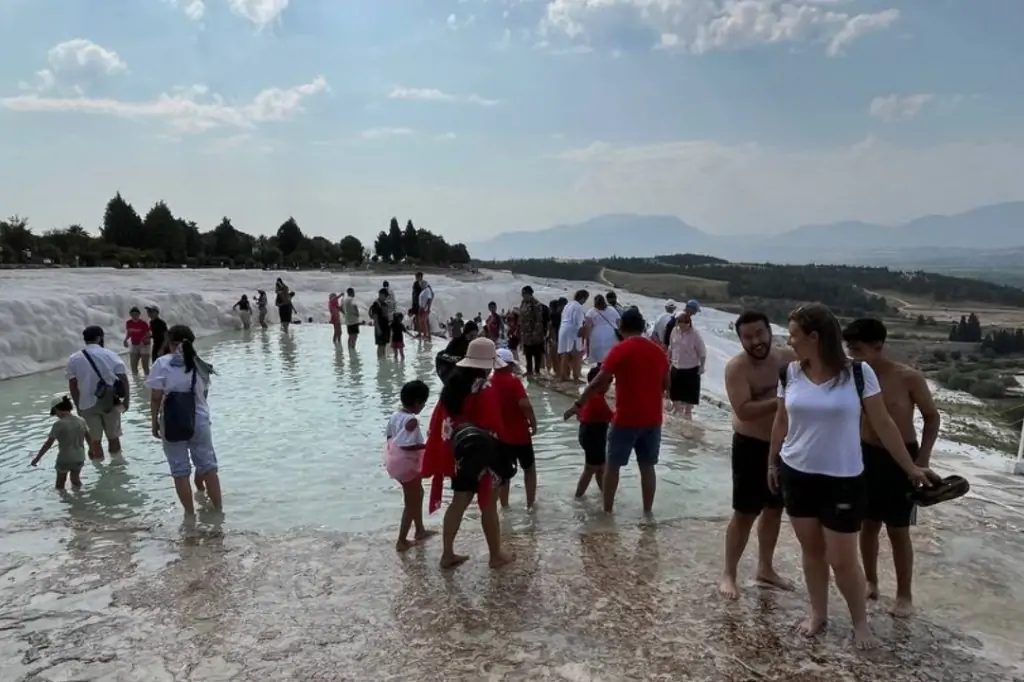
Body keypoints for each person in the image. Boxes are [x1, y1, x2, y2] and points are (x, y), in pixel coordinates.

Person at [768, 303, 937, 648]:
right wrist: (772, 462)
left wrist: (911, 466)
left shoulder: (858, 374)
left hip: (843, 477)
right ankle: (818, 612)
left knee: (842, 558)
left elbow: (884, 423)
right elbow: (781, 421)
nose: (790, 341)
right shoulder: (790, 373)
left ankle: (861, 623)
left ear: (814, 337)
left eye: (795, 335)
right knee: (811, 550)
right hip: (797, 473)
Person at [843, 317, 941, 618]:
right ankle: (871, 582)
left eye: (858, 350)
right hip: (865, 455)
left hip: (903, 459)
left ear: (879, 346)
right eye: (849, 349)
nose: (852, 356)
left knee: (898, 530)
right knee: (867, 524)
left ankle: (904, 595)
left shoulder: (907, 377)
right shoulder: (852, 375)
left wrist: (921, 460)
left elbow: (931, 417)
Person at [421, 338, 515, 569]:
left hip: (459, 453)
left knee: (459, 502)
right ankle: (495, 555)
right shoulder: (484, 387)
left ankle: (447, 554)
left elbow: (443, 424)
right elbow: (492, 425)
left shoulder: (452, 385)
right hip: (483, 454)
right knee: (489, 505)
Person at [719, 311, 794, 601]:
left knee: (774, 509)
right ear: (740, 340)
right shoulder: (737, 368)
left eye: (760, 334)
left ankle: (765, 568)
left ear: (769, 331)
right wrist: (782, 401)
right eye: (748, 337)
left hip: (783, 446)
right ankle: (729, 572)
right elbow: (743, 409)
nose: (756, 341)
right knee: (744, 512)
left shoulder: (787, 358)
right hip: (750, 445)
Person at [563, 308, 668, 514]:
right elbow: (666, 384)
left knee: (612, 466)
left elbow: (598, 381)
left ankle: (607, 512)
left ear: (620, 326)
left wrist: (578, 404)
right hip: (653, 418)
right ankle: (647, 512)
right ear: (643, 326)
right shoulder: (658, 351)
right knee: (647, 467)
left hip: (626, 418)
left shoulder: (621, 349)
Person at [147, 324, 223, 517]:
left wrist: (154, 423)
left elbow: (156, 397)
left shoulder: (162, 363)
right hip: (200, 420)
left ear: (169, 341)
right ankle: (218, 514)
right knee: (208, 467)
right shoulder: (200, 364)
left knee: (180, 470)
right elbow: (203, 395)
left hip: (172, 420)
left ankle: (190, 516)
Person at [384, 379, 436, 551]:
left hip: (394, 460)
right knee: (411, 501)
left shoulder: (395, 415)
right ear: (417, 403)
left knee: (417, 493)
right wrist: (428, 445)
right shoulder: (412, 420)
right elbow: (407, 444)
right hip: (407, 464)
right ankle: (401, 540)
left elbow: (390, 437)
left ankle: (420, 530)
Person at [66, 325, 129, 460]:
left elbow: (73, 383)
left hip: (86, 404)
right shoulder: (110, 354)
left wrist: (77, 405)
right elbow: (123, 378)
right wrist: (127, 400)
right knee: (113, 437)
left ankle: (99, 467)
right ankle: (117, 467)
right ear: (99, 338)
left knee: (95, 440)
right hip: (109, 401)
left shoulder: (74, 358)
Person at [492, 347, 538, 509]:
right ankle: (530, 505)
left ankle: (504, 506)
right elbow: (524, 403)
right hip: (520, 435)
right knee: (529, 469)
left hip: (500, 436)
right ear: (509, 364)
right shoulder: (513, 382)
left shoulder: (489, 382)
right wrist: (533, 421)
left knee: (504, 474)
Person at [30, 396, 88, 490]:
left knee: (60, 484)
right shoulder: (81, 420)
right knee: (75, 480)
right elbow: (89, 437)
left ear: (58, 409)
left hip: (65, 457)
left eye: (55, 412)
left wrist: (37, 458)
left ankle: (64, 502)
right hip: (80, 456)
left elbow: (48, 443)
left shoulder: (59, 424)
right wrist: (92, 450)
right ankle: (80, 497)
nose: (56, 415)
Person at [574, 365, 610, 498]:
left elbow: (579, 415)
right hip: (594, 436)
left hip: (588, 434)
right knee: (591, 469)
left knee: (600, 467)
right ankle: (578, 496)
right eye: (608, 382)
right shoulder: (598, 400)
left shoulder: (588, 396)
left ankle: (604, 493)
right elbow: (612, 417)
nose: (609, 386)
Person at [668, 312, 707, 418]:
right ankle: (677, 410)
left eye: (684, 326)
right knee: (674, 392)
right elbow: (671, 347)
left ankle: (688, 413)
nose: (682, 328)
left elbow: (702, 352)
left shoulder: (695, 334)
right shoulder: (674, 331)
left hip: (691, 367)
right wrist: (668, 361)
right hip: (676, 365)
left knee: (689, 394)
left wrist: (702, 366)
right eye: (680, 325)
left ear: (689, 323)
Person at [557, 290, 589, 382]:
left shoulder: (568, 305)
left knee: (565, 354)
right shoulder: (578, 307)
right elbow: (577, 321)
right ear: (583, 298)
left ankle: (563, 375)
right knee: (576, 355)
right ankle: (576, 377)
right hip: (572, 331)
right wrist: (581, 331)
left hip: (563, 329)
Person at [584, 294, 621, 366]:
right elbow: (619, 322)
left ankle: (601, 370)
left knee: (600, 358)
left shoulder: (591, 311)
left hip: (596, 335)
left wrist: (586, 338)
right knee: (610, 355)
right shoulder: (612, 309)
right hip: (611, 334)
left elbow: (588, 326)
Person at [519, 286, 546, 376]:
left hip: (535, 333)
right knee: (528, 352)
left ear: (529, 294)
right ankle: (529, 370)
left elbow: (539, 320)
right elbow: (521, 316)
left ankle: (537, 370)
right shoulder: (523, 302)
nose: (523, 296)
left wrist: (535, 333)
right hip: (525, 333)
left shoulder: (536, 304)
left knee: (537, 353)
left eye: (524, 294)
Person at [123, 306, 151, 375]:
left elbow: (148, 334)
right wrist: (125, 339)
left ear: (139, 314)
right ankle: (136, 383)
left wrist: (143, 340)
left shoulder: (143, 323)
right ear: (130, 315)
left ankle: (148, 381)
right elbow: (129, 333)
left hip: (144, 345)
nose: (134, 316)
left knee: (145, 366)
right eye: (132, 314)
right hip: (134, 344)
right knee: (133, 365)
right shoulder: (128, 323)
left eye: (136, 314)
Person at [368, 288, 391, 358]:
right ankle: (380, 360)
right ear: (381, 295)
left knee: (383, 345)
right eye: (385, 295)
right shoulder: (376, 304)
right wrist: (378, 328)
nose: (386, 297)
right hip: (380, 327)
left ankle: (383, 358)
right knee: (380, 345)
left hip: (385, 327)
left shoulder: (384, 304)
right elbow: (375, 317)